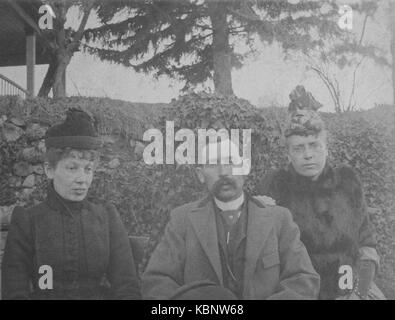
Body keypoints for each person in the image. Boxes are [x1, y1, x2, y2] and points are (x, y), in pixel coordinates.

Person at [142, 138, 320, 300]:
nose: (223, 172)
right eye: (213, 164)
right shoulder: (182, 220)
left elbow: (303, 280)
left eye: (230, 162)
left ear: (245, 167)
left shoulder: (279, 219)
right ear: (200, 174)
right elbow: (157, 280)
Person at [256, 86, 385, 300]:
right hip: (297, 293)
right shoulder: (275, 186)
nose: (308, 155)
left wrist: (359, 293)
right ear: (288, 153)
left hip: (350, 289)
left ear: (327, 147)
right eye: (298, 148)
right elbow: (265, 257)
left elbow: (367, 245)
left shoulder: (347, 181)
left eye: (314, 145)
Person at [1, 109, 141, 300]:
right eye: (72, 168)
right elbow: (15, 292)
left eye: (88, 169)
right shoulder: (28, 220)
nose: (82, 179)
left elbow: (127, 288)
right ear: (49, 169)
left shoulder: (106, 217)